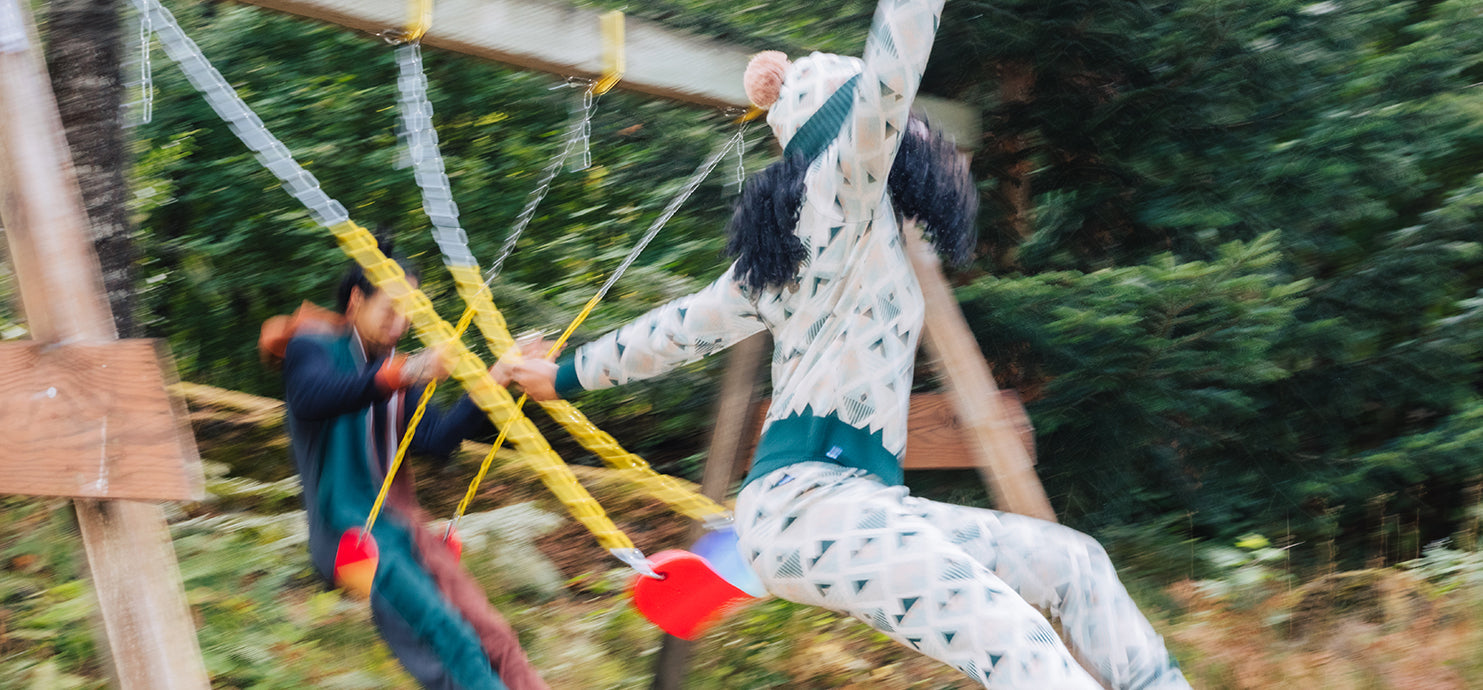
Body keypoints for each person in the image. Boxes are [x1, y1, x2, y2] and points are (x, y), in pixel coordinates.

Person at [507, 1, 1191, 687]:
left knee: (1073, 564)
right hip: (816, 508)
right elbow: (890, 75)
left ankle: (737, 563)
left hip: (856, 504)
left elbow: (675, 330)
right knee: (1013, 638)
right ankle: (741, 560)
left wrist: (561, 377)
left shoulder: (802, 252)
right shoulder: (840, 194)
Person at [260, 253, 548, 690]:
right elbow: (312, 397)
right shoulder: (312, 348)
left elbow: (436, 439)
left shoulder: (395, 367)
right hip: (350, 533)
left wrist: (500, 375)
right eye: (390, 309)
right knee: (451, 640)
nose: (400, 323)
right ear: (356, 300)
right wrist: (409, 371)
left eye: (408, 311)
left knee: (494, 635)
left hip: (403, 528)